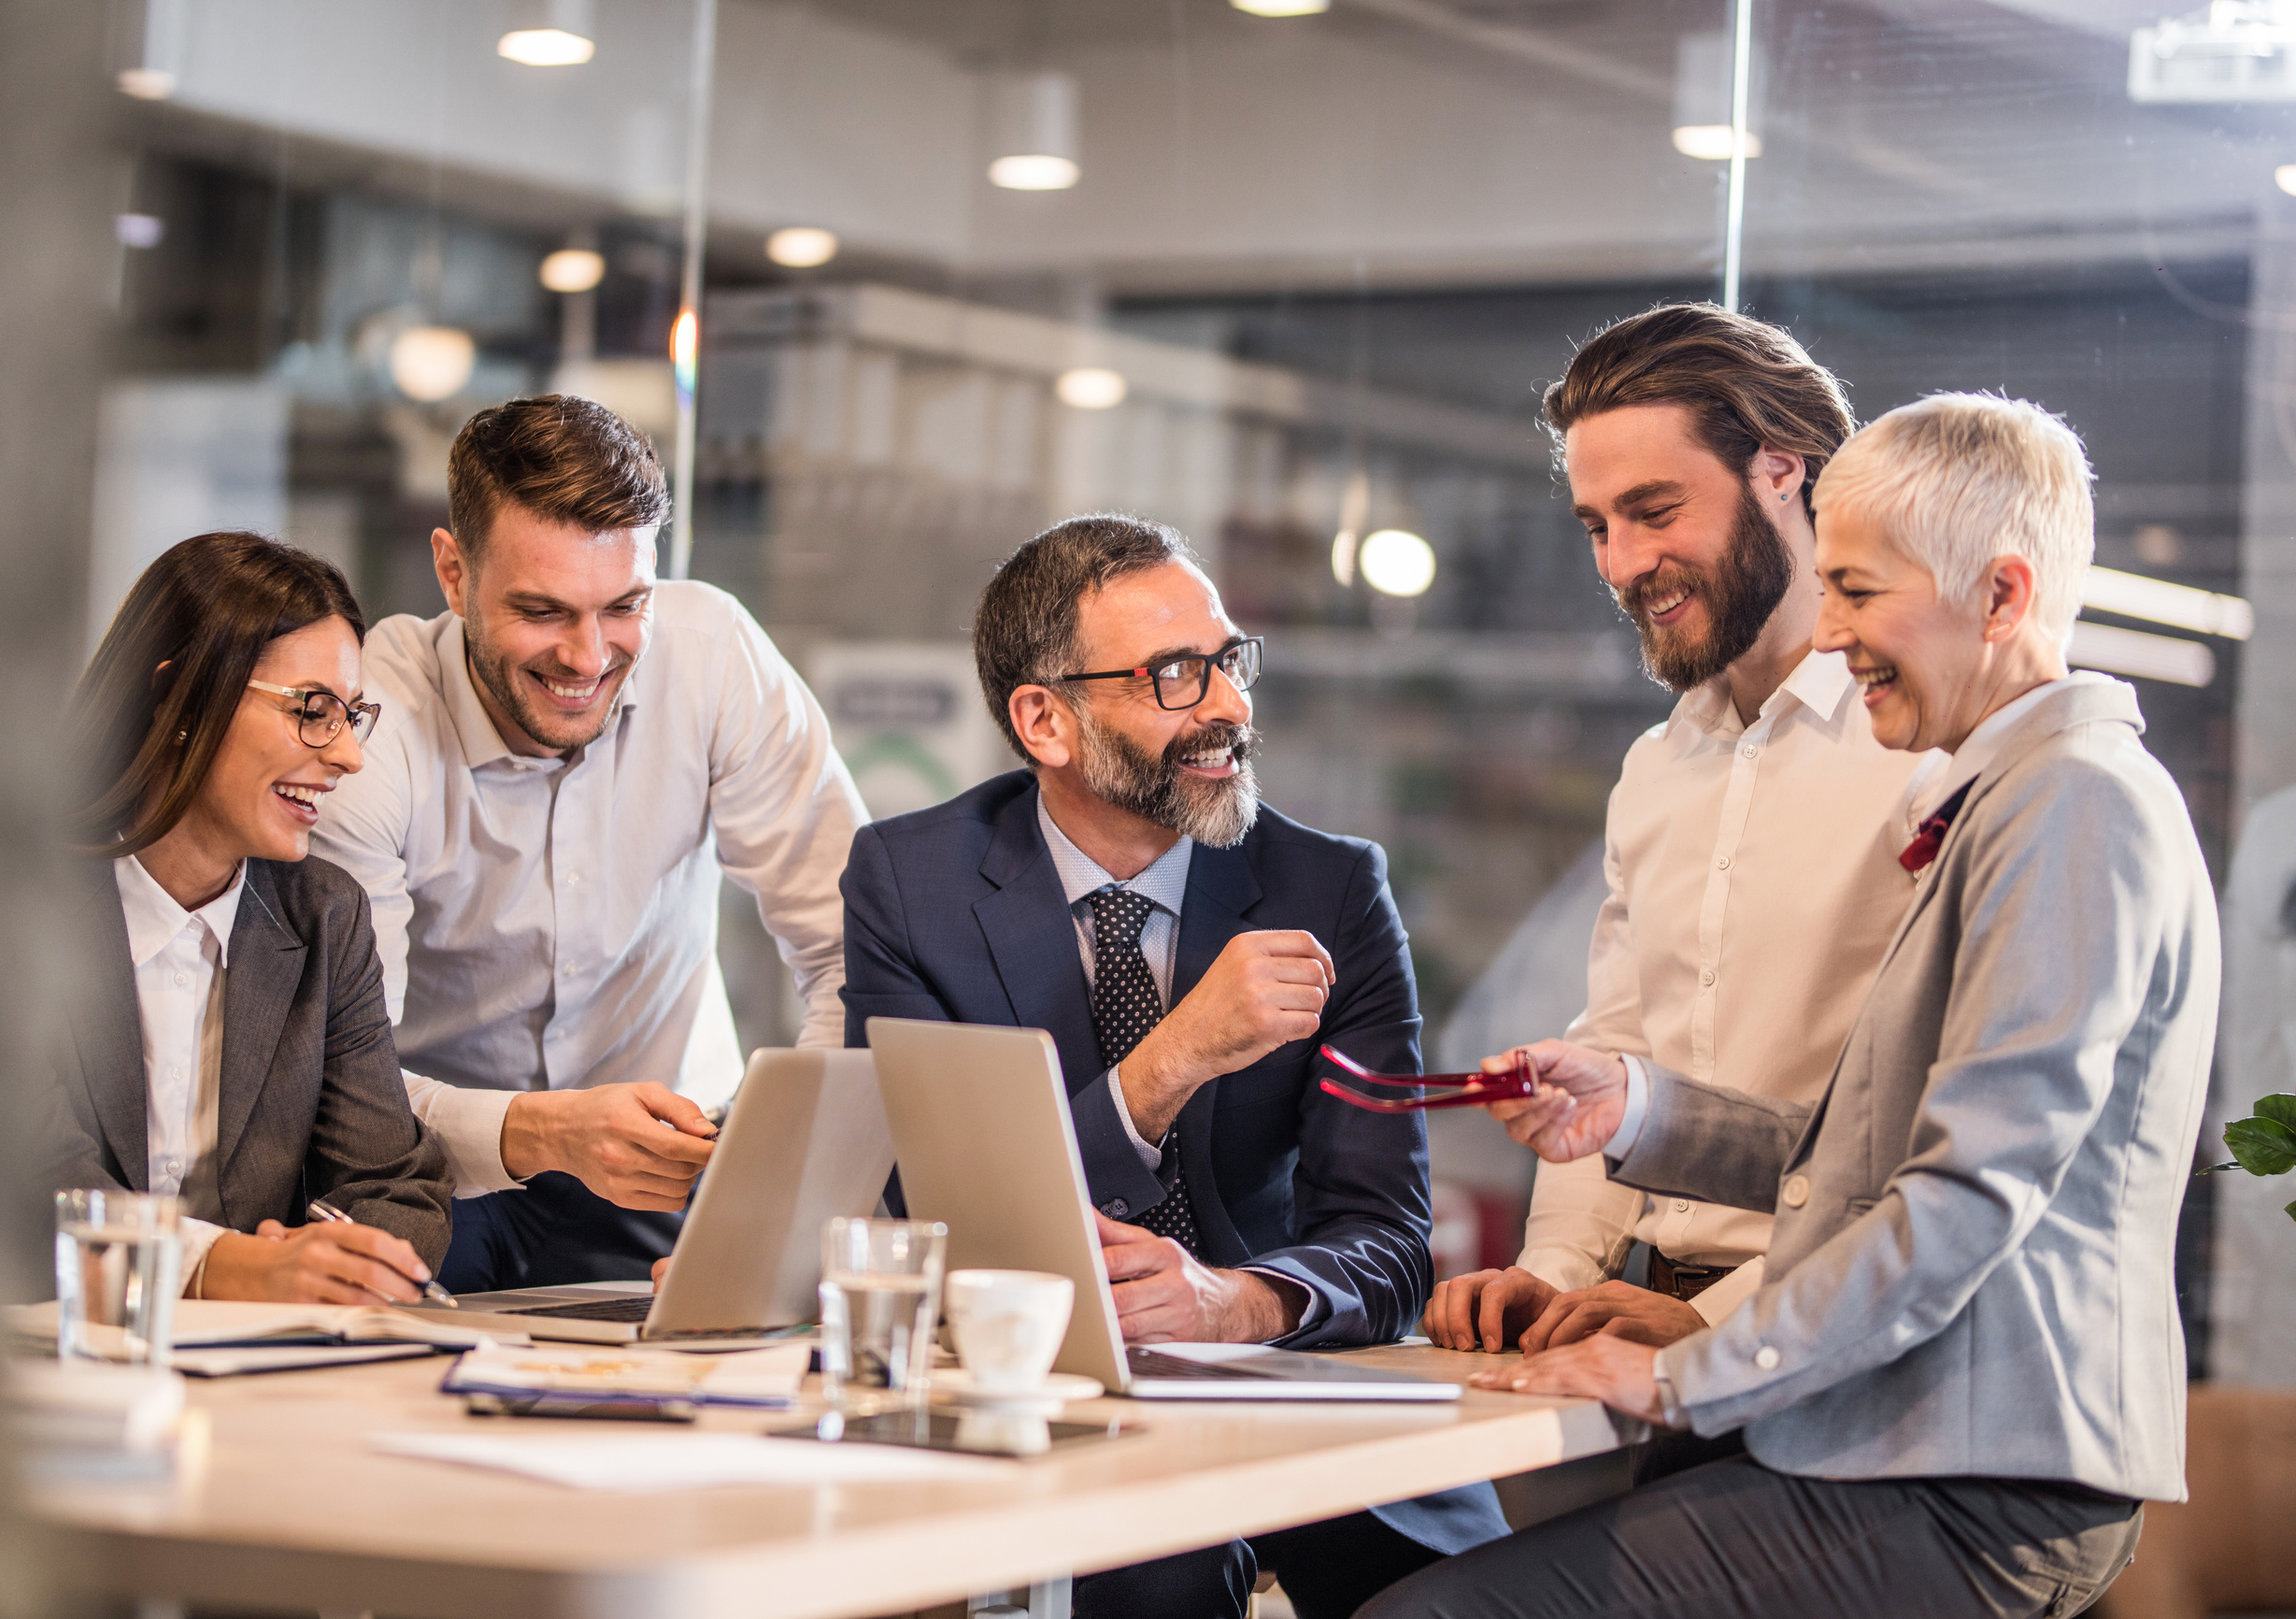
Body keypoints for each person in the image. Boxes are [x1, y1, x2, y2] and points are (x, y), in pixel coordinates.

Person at [1363, 394, 2215, 1619]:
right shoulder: (2009, 799)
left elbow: (1968, 1197)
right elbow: (1860, 1159)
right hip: (1902, 1446)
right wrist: (1636, 1110)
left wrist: (1685, 1375)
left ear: (2001, 597)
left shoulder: (2072, 805)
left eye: (1858, 592)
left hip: (1966, 1477)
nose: (1829, 634)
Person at [841, 514, 1508, 1619]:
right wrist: (1175, 1057)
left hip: (1290, 1395)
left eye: (1229, 662)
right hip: (1037, 1393)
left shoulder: (1330, 888)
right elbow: (927, 1211)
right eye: (1175, 675)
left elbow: (1390, 1244)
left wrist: (1233, 1304)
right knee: (1149, 1571)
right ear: (1044, 719)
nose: (1231, 707)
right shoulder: (911, 882)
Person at [1421, 306, 1942, 1478]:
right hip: (1629, 1335)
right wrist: (1549, 1281)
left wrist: (1712, 1322)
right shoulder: (1658, 769)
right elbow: (1614, 1053)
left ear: (1782, 473)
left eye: (1656, 512)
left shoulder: (1924, 750)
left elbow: (1931, 1143)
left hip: (1827, 1363)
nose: (1619, 563)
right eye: (1596, 525)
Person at [311, 395, 866, 1292]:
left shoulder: (715, 653)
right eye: (541, 611)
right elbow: (339, 1077)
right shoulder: (369, 731)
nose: (587, 655)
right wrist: (540, 1132)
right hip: (432, 1177)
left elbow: (855, 951)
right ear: (453, 575)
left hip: (678, 1176)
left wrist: (773, 1179)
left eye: (623, 607)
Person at [41, 532, 450, 1302]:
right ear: (179, 696)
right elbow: (20, 1192)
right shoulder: (8, 909)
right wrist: (230, 1268)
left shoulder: (326, 917)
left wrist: (340, 1262)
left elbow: (397, 1186)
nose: (348, 757)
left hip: (252, 1370)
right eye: (311, 710)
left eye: (350, 715)